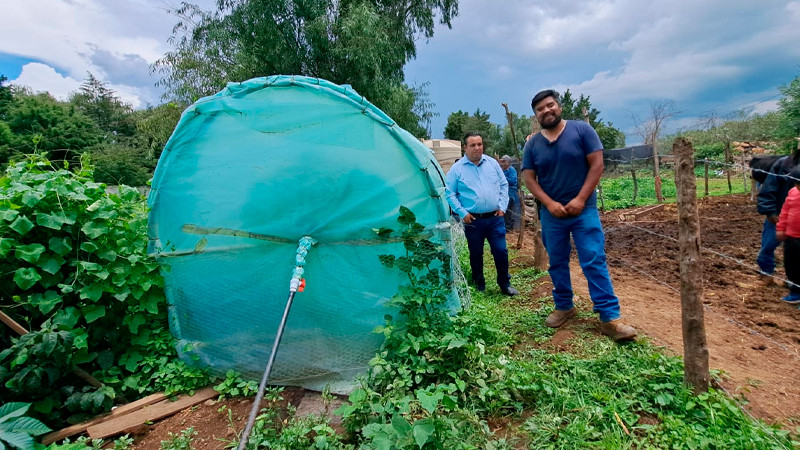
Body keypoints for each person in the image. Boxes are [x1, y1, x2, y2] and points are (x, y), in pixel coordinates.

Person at [521, 89, 636, 341]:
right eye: (540, 109)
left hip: (584, 211)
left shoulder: (582, 131)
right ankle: (564, 306)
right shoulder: (533, 144)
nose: (546, 110)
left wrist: (581, 199)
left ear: (559, 107)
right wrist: (549, 203)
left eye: (550, 105)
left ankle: (609, 318)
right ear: (536, 115)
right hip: (552, 214)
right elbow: (529, 178)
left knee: (593, 259)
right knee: (557, 262)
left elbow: (597, 165)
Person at [446, 132, 519, 296]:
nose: (477, 148)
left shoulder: (492, 164)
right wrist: (462, 213)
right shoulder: (457, 169)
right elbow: (450, 194)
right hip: (473, 220)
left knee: (500, 250)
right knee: (476, 252)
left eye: (479, 144)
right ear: (465, 148)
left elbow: (503, 185)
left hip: (495, 218)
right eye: (473, 145)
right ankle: (479, 283)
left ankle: (505, 284)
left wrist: (502, 206)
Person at [757, 148, 800, 286]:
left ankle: (794, 280)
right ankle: (766, 272)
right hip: (778, 216)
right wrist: (770, 212)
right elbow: (768, 188)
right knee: (768, 246)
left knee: (794, 252)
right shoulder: (783, 164)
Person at [775, 165, 800, 304]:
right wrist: (781, 228)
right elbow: (785, 211)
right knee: (791, 265)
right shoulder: (793, 192)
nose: (798, 187)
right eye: (796, 183)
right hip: (791, 237)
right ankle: (795, 292)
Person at [499, 155, 519, 231]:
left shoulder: (512, 170)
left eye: (504, 161)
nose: (502, 163)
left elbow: (512, 181)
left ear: (509, 162)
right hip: (502, 191)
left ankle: (508, 227)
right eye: (502, 161)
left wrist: (503, 178)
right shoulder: (501, 170)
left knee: (508, 209)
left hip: (511, 191)